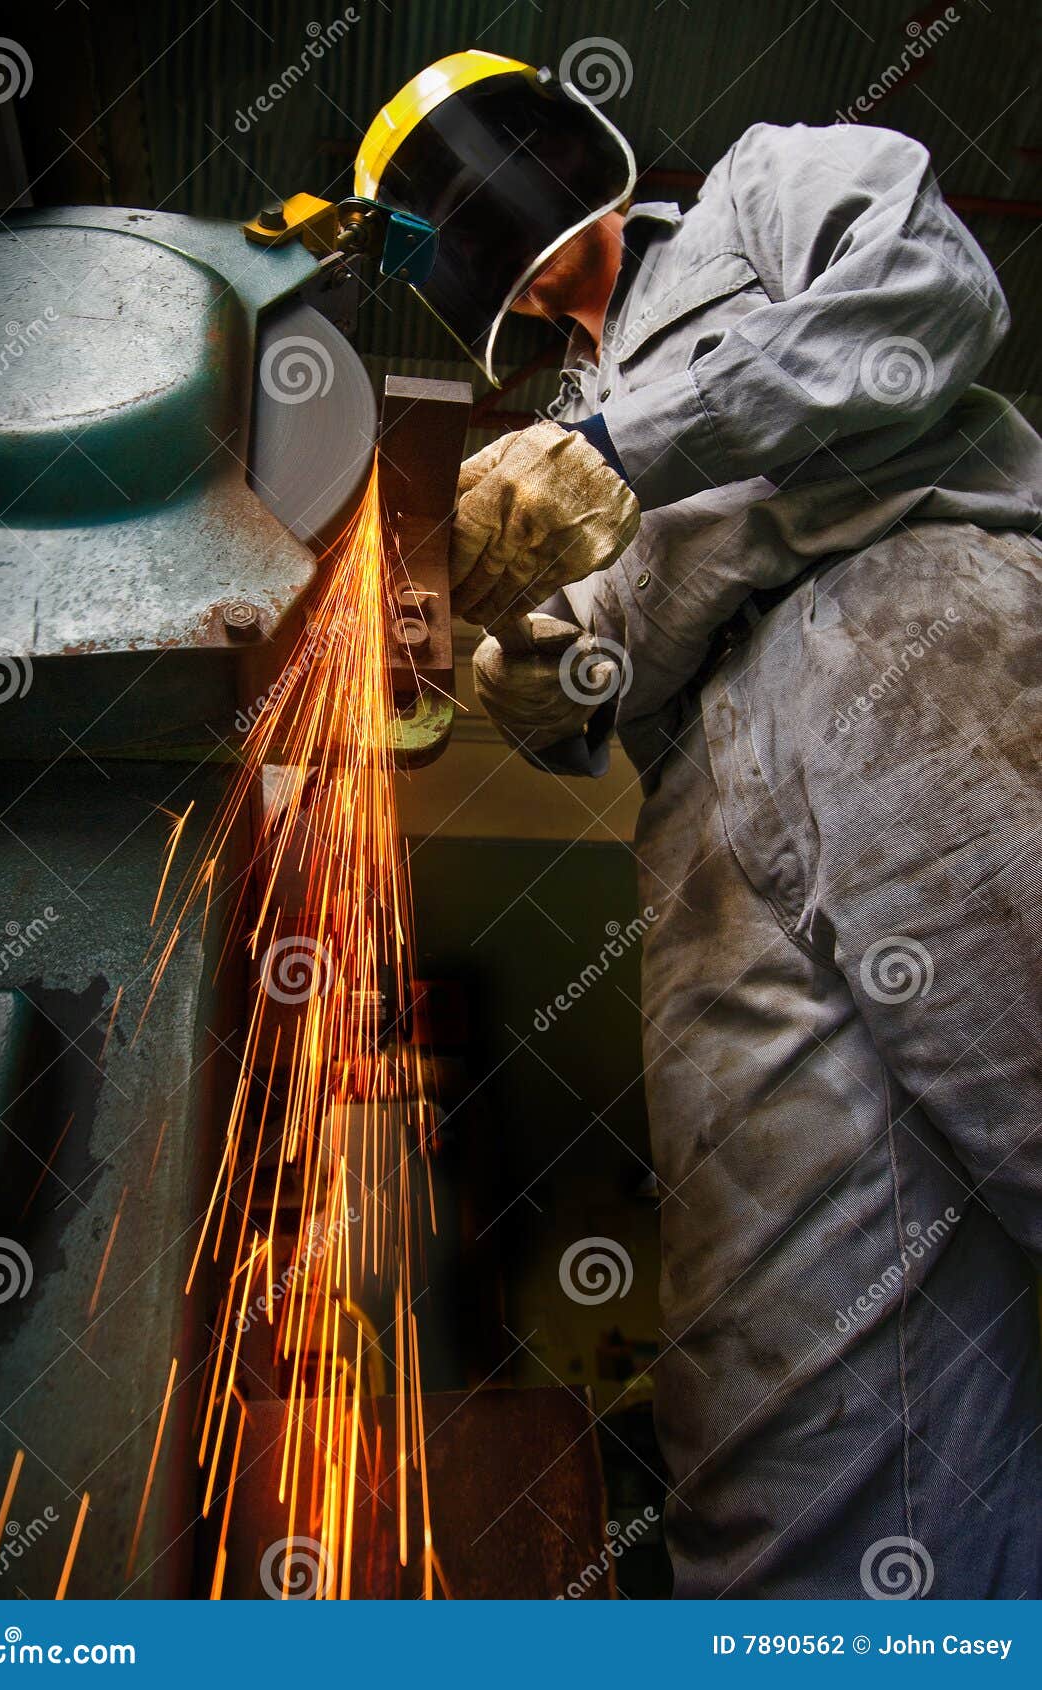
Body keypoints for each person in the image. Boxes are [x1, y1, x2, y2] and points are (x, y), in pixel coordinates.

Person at [355, 51, 1042, 1598]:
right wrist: (500, 654)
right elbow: (576, 713)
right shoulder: (545, 423)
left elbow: (927, 307)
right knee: (770, 1408)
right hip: (694, 831)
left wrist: (618, 454)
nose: (503, 250)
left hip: (913, 634)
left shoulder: (767, 186)